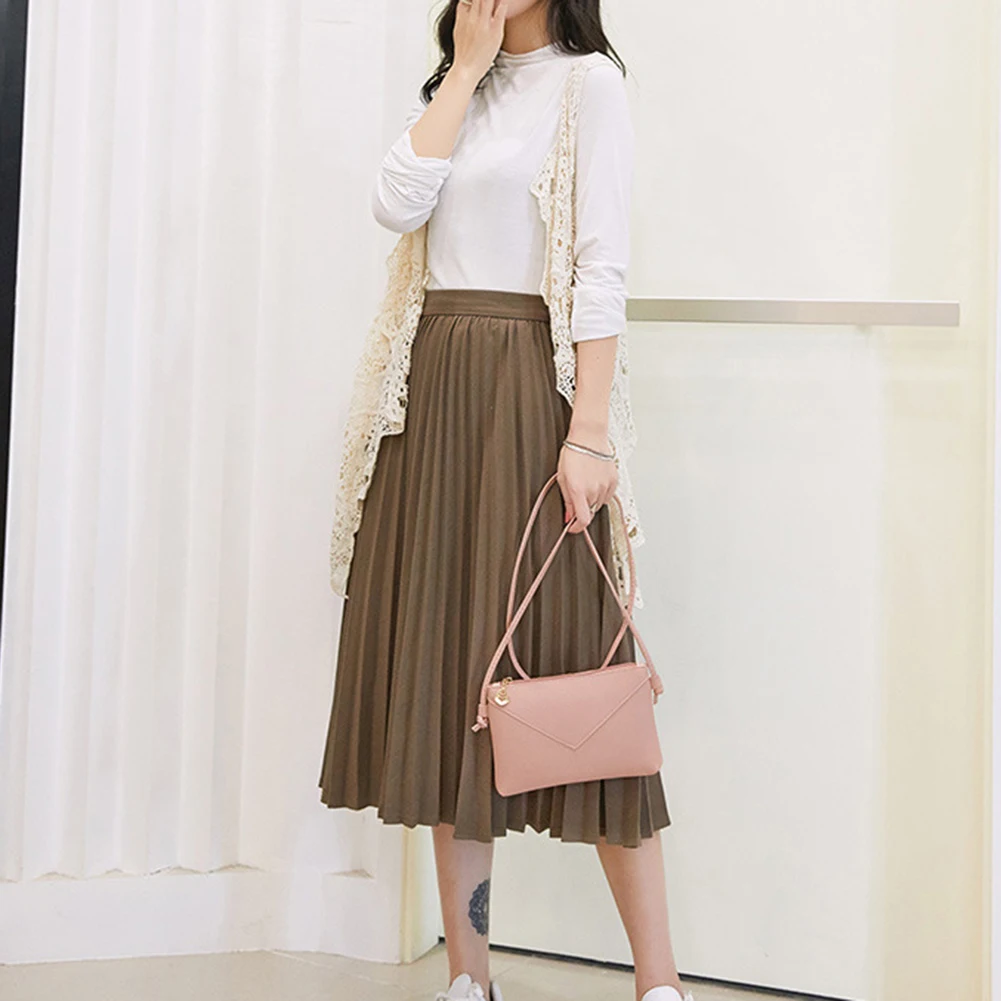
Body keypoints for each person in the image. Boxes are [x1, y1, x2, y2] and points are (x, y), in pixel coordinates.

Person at [318, 3, 694, 1001]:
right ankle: (469, 975)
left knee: (584, 676)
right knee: (454, 686)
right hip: (432, 398)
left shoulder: (588, 85)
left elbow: (599, 265)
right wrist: (462, 69)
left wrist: (589, 431)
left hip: (532, 393)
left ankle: (658, 981)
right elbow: (394, 202)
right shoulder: (463, 86)